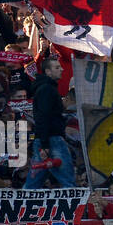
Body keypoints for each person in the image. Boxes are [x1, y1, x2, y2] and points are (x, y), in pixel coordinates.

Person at [26, 53, 75, 189]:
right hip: (52, 140)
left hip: (45, 140)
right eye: (57, 67)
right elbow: (43, 117)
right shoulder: (47, 90)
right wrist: (45, 144)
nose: (62, 69)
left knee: (33, 183)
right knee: (68, 181)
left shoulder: (46, 88)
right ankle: (73, 208)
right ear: (48, 71)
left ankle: (22, 206)